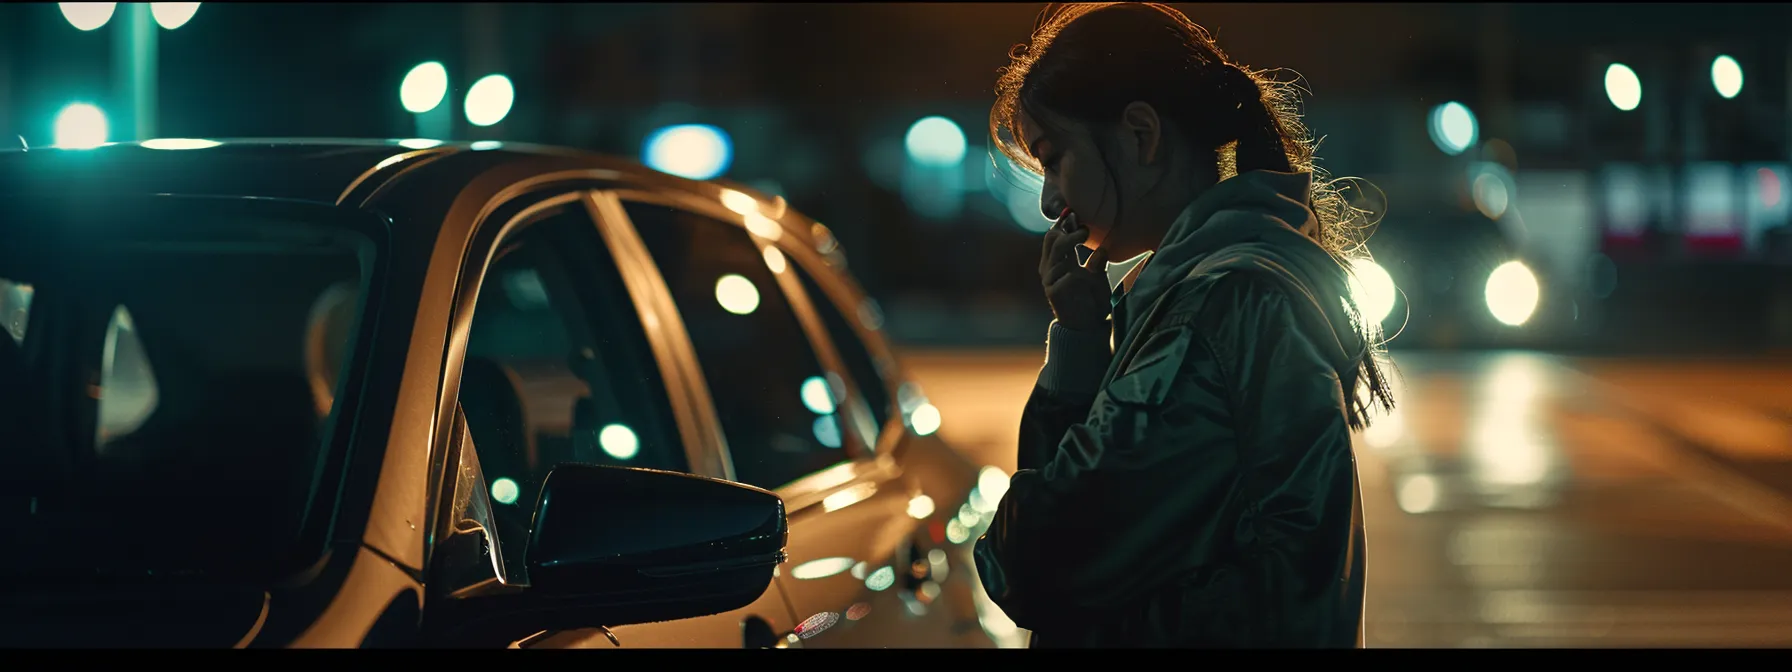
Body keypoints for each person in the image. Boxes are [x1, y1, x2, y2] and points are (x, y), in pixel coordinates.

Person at [972, 2, 1397, 648]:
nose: (1050, 201)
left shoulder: (1212, 308)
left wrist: (1076, 370)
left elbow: (1033, 561)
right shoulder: (1221, 286)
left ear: (1140, 135)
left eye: (1055, 160)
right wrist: (1083, 339)